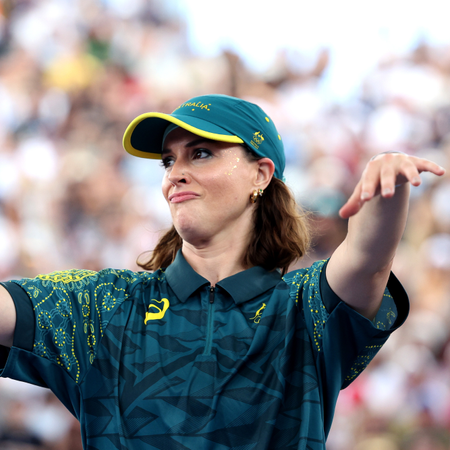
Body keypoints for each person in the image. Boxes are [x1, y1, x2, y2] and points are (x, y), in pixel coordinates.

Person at [0, 94, 445, 450]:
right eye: (167, 161)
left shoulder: (303, 306)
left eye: (200, 154)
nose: (175, 174)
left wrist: (389, 176)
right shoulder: (104, 304)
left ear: (261, 174)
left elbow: (367, 258)